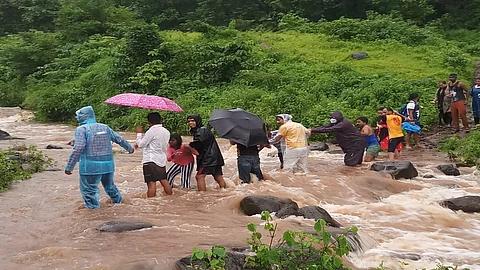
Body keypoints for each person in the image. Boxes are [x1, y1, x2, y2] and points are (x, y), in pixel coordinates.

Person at [65, 106, 134, 209]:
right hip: (108, 165)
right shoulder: (104, 127)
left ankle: (94, 213)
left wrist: (69, 167)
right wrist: (130, 148)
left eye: (78, 115)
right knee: (110, 187)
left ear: (84, 116)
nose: (77, 118)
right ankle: (119, 205)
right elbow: (119, 139)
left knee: (89, 192)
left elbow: (78, 148)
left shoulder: (82, 129)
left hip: (90, 167)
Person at [136, 112, 172, 197]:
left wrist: (139, 134)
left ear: (149, 122)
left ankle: (151, 205)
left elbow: (141, 144)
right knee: (164, 181)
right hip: (161, 160)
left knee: (151, 184)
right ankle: (171, 198)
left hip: (150, 160)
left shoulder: (151, 131)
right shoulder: (166, 131)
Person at [187, 114, 226, 191]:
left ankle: (202, 195)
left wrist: (189, 146)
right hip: (215, 157)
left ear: (197, 121)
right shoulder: (203, 129)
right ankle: (224, 191)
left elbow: (199, 143)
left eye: (193, 121)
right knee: (218, 176)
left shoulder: (201, 130)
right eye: (189, 121)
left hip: (207, 158)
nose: (190, 123)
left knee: (199, 176)